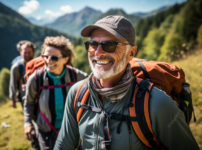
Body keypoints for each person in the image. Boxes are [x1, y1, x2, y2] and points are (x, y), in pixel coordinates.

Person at [54, 16, 199, 150]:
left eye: (109, 45)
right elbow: (63, 145)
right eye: (92, 44)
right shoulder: (77, 93)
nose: (97, 53)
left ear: (131, 53)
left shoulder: (157, 103)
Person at [24, 36, 88, 150]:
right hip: (45, 131)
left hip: (71, 131)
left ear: (66, 59)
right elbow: (29, 103)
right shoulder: (35, 79)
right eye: (45, 56)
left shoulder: (77, 76)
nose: (48, 61)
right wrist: (27, 123)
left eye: (54, 57)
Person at [9, 41, 35, 108]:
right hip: (24, 97)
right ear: (21, 53)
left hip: (38, 96)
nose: (27, 54)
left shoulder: (38, 65)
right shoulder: (16, 67)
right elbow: (13, 83)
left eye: (29, 52)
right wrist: (12, 99)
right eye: (25, 52)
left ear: (33, 53)